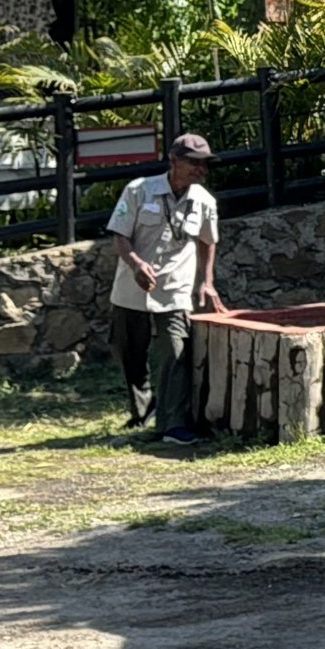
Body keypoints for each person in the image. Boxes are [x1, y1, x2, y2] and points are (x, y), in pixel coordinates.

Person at [106, 131, 223, 443]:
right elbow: (120, 235)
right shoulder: (138, 191)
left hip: (175, 288)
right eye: (194, 163)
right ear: (173, 161)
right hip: (132, 287)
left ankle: (173, 424)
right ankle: (143, 412)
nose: (202, 170)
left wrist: (207, 282)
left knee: (176, 350)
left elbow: (208, 242)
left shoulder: (204, 201)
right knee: (129, 351)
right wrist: (135, 264)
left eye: (205, 164)